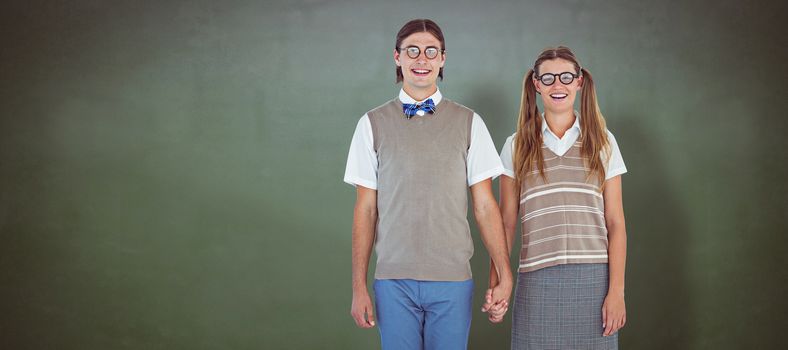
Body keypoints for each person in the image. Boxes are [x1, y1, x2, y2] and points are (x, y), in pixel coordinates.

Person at [344, 19, 513, 350]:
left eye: (430, 52)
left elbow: (484, 205)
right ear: (397, 57)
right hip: (393, 281)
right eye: (413, 51)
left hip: (453, 281)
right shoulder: (371, 124)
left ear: (443, 59)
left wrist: (505, 275)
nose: (421, 60)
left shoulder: (469, 123)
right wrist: (358, 287)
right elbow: (365, 209)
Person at [485, 46, 628, 349]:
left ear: (579, 82)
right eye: (547, 78)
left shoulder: (603, 141)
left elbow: (615, 222)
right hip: (536, 281)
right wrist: (496, 284)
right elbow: (506, 223)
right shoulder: (516, 145)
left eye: (566, 77)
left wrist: (617, 292)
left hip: (595, 280)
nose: (557, 85)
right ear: (536, 85)